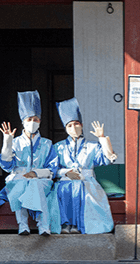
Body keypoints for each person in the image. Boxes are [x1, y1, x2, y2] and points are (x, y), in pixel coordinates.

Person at [53, 97, 117, 234]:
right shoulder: (58, 147)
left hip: (87, 181)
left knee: (81, 189)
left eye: (76, 124)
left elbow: (106, 159)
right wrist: (66, 173)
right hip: (65, 180)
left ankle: (77, 225)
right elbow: (52, 168)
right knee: (63, 189)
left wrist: (102, 138)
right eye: (69, 125)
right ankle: (65, 224)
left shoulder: (93, 146)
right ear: (65, 128)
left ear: (81, 125)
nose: (74, 128)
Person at [0, 90, 58, 236]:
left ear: (40, 121)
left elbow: (53, 168)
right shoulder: (16, 142)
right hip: (19, 179)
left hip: (40, 179)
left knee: (35, 185)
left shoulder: (47, 144)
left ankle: (43, 225)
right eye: (29, 119)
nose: (32, 122)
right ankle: (23, 225)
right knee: (20, 185)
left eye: (36, 119)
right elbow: (7, 166)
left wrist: (37, 173)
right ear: (23, 121)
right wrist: (7, 142)